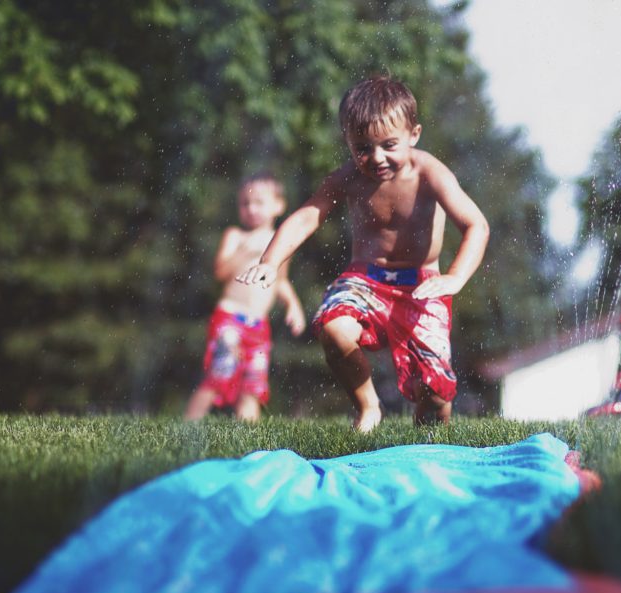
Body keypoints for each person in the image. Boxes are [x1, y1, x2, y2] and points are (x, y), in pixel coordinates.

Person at [238, 76, 490, 432]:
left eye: (389, 145)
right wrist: (269, 261)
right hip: (365, 281)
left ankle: (426, 436)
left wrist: (455, 277)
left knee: (434, 392)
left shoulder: (429, 173)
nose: (376, 158)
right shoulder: (348, 179)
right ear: (348, 142)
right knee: (334, 327)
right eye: (363, 148)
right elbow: (309, 215)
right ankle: (369, 407)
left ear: (413, 134)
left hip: (422, 286)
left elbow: (476, 225)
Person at [185, 173, 306, 421]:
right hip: (229, 316)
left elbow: (280, 280)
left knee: (253, 383)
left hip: (258, 324)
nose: (251, 209)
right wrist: (244, 251)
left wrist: (293, 305)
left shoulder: (280, 244)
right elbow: (220, 272)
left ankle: (248, 436)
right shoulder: (236, 236)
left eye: (259, 203)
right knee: (220, 371)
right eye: (245, 204)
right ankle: (190, 422)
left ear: (278, 206)